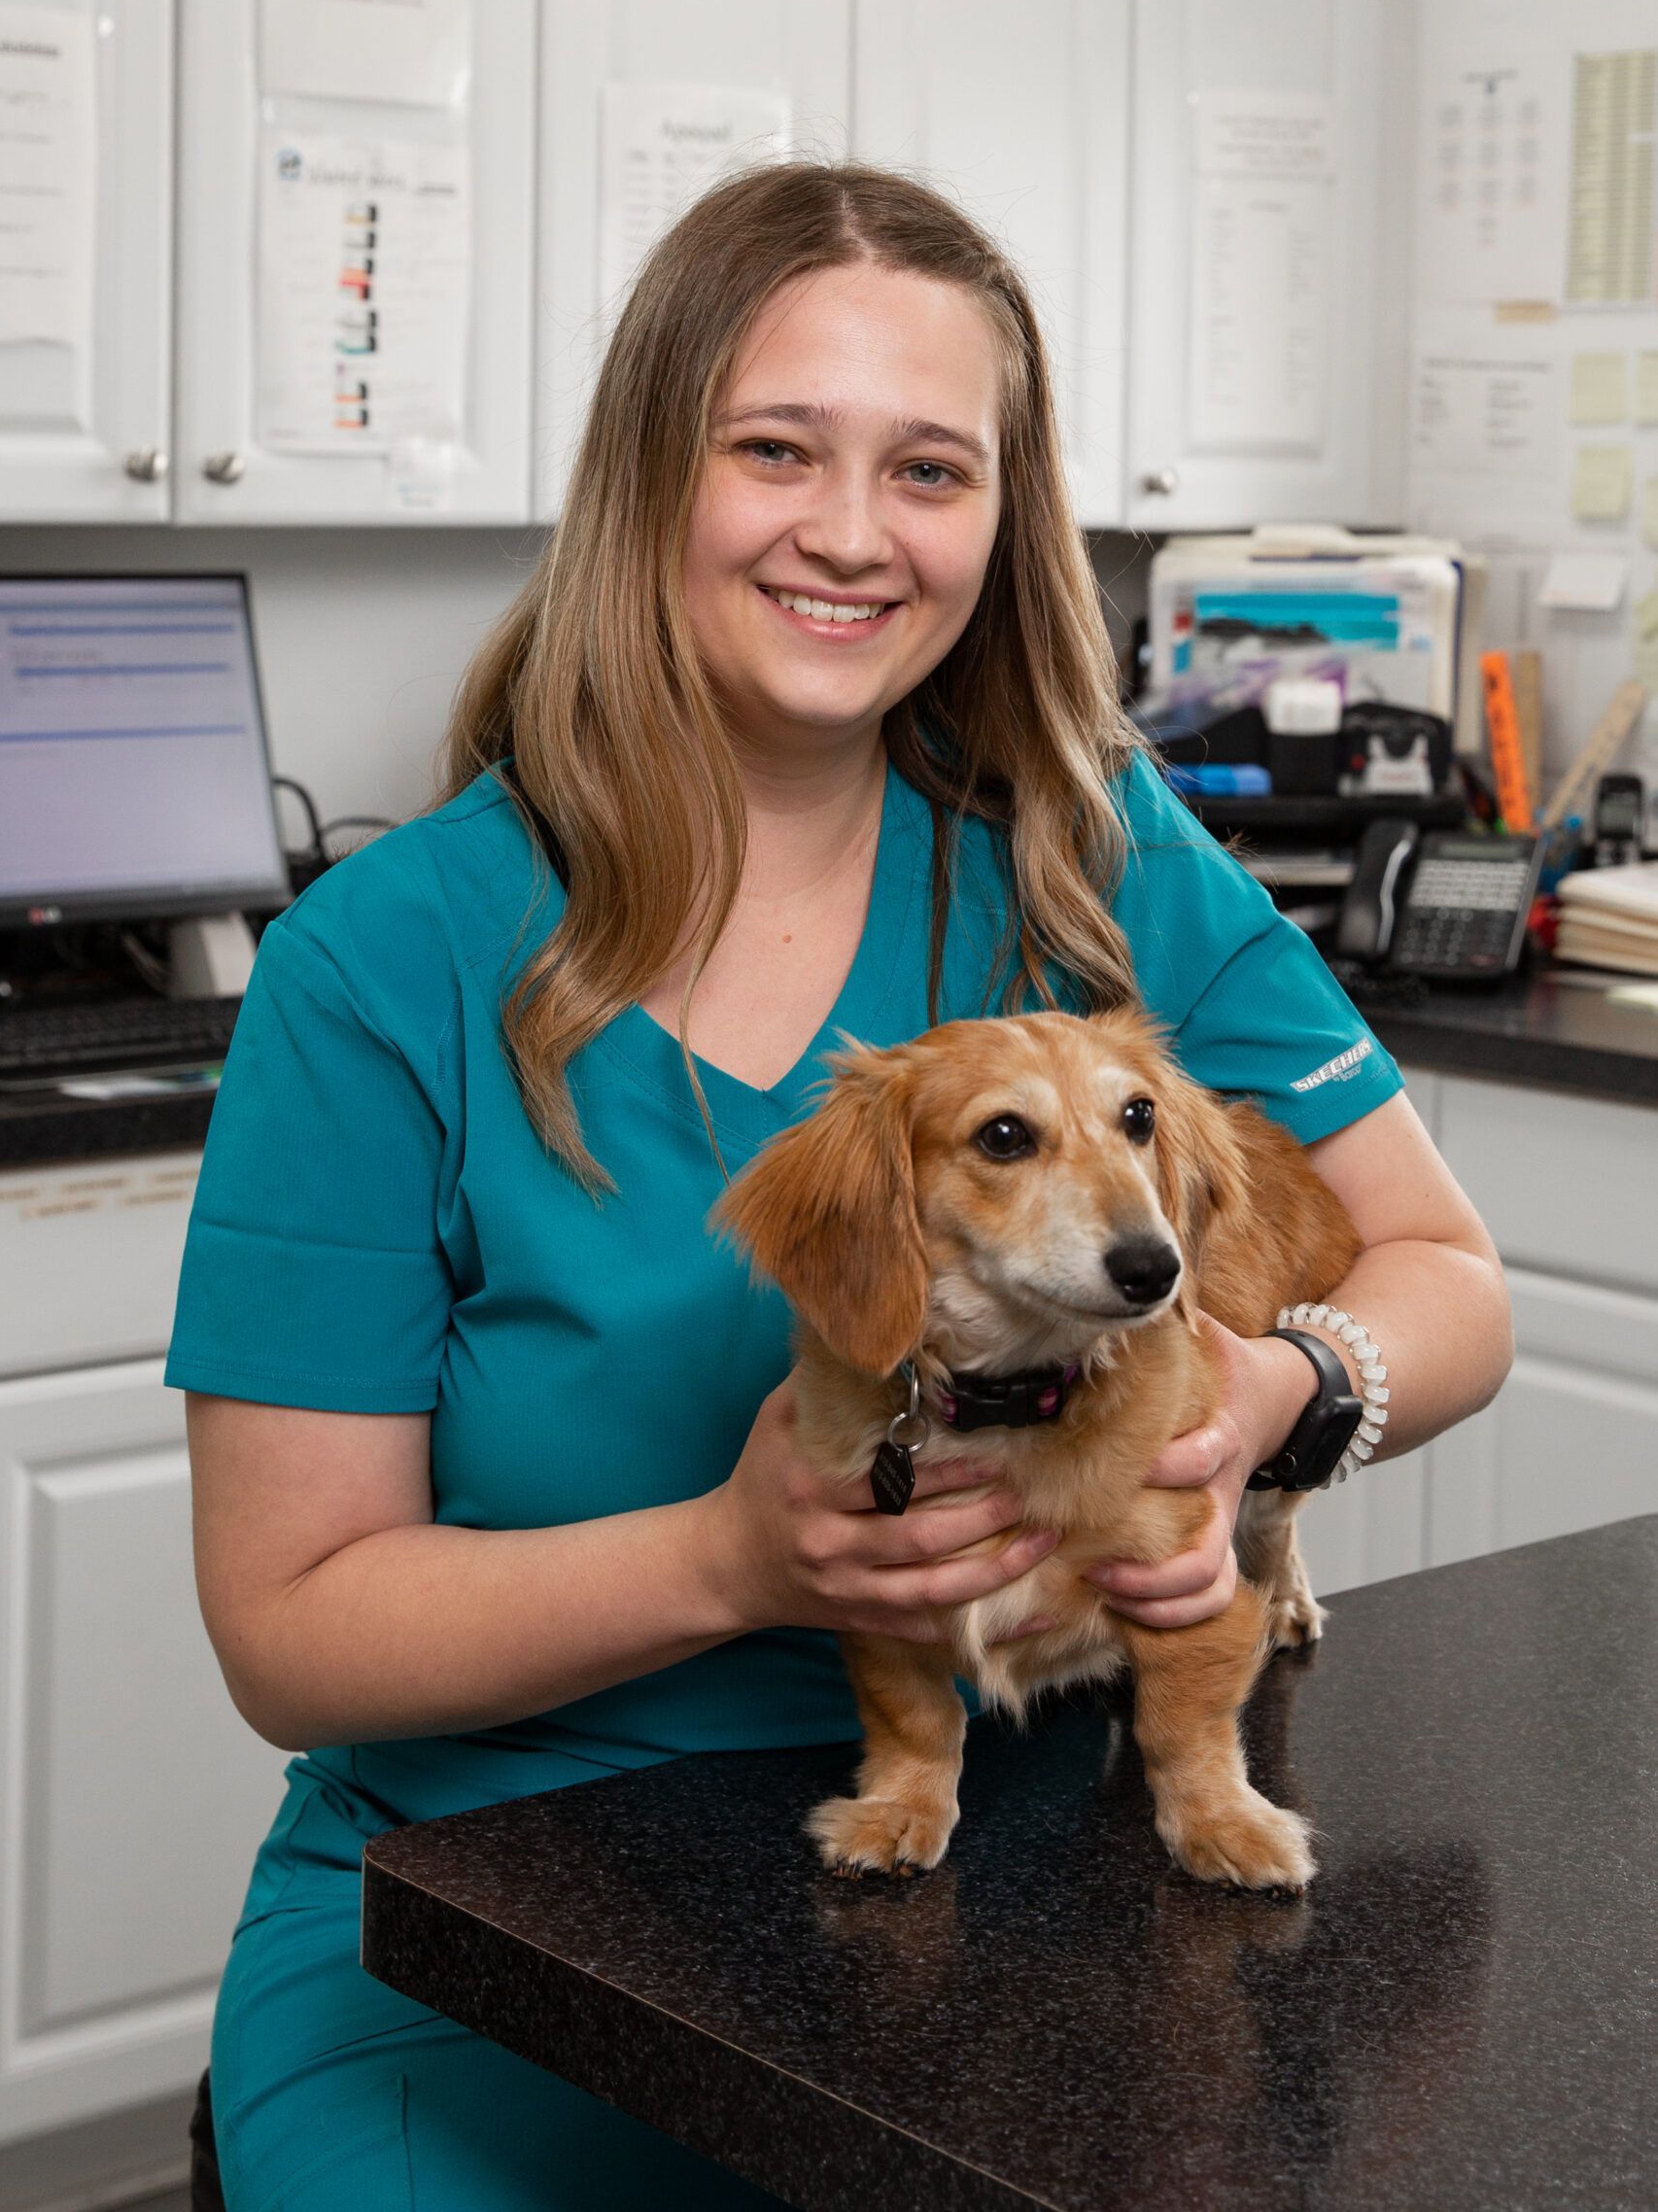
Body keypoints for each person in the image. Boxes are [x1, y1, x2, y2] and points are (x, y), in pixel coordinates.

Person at [170, 159, 1513, 2210]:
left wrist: (1274, 1392)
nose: (849, 534)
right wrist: (729, 1560)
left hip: (1031, 1881)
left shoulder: (1092, 851)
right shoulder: (385, 961)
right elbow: (293, 1630)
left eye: (929, 469)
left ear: (1001, 514)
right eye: (774, 448)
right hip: (498, 1916)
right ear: (649, 475)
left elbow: (1443, 1273)